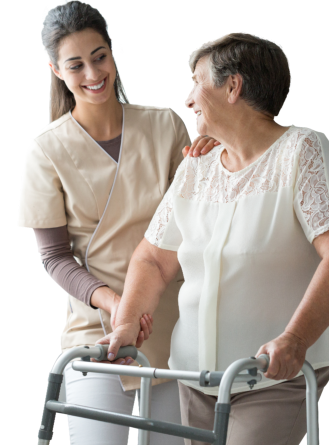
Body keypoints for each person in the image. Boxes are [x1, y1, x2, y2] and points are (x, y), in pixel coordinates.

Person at [98, 31, 329, 445]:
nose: (188, 100)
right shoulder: (198, 165)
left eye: (195, 83)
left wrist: (294, 340)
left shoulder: (302, 151)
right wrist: (127, 324)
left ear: (232, 86)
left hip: (273, 377)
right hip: (195, 378)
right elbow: (153, 259)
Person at [17, 2, 219, 445]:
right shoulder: (44, 150)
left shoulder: (165, 126)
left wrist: (215, 159)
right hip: (96, 332)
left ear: (113, 52)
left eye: (99, 56)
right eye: (76, 64)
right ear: (55, 69)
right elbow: (53, 257)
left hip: (171, 331)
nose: (92, 73)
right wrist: (114, 302)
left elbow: (199, 222)